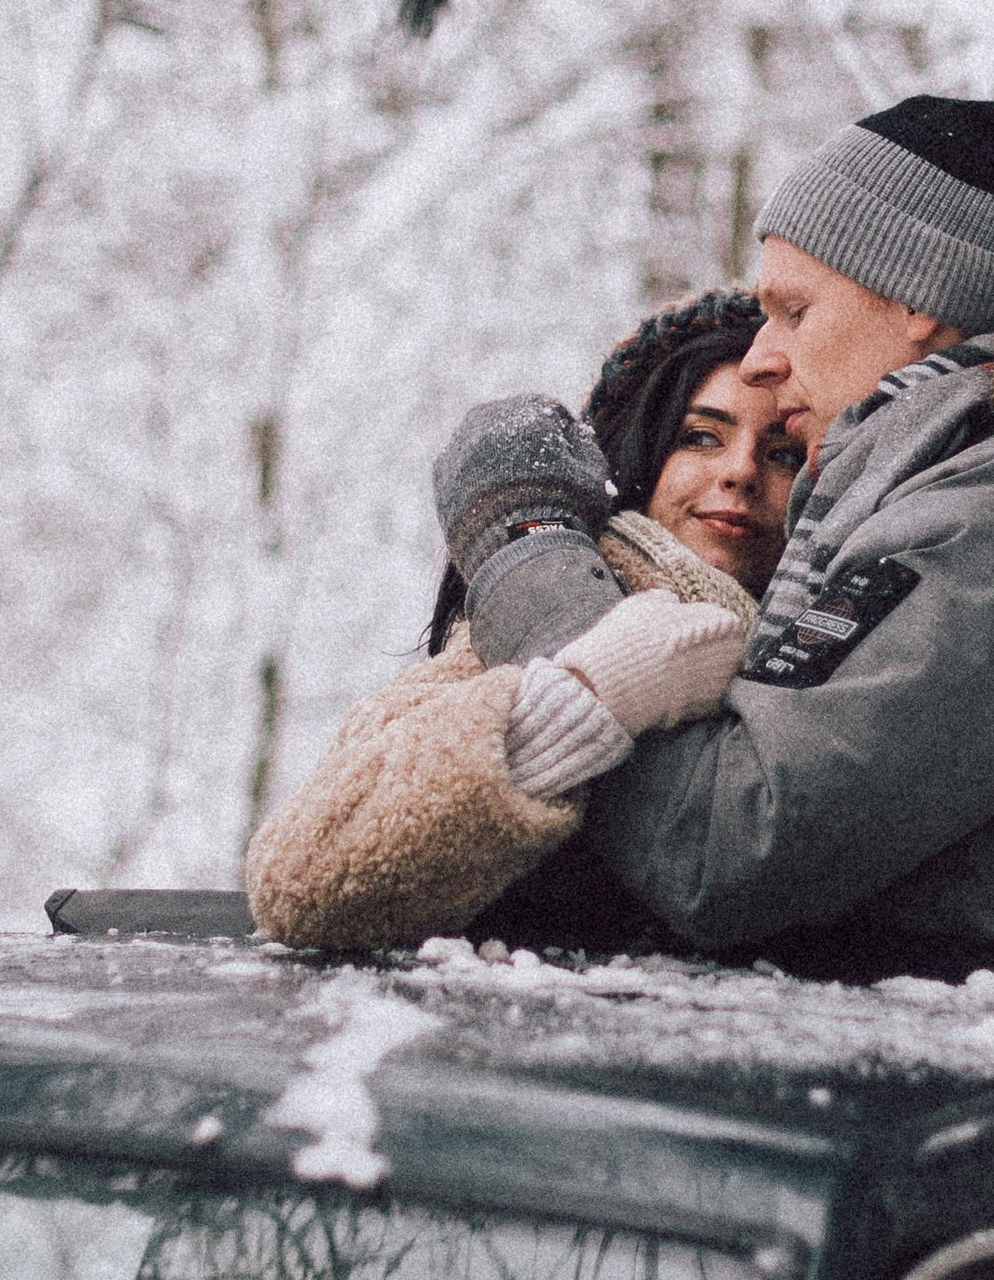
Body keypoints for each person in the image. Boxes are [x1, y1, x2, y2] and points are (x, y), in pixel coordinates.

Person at [427, 51, 994, 1008]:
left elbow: (724, 847)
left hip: (973, 1132)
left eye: (795, 309)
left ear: (917, 298)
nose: (760, 358)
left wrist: (527, 549)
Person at [246, 293, 800, 954]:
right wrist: (589, 693)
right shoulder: (548, 610)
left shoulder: (834, 643)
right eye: (701, 436)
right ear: (643, 455)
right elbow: (301, 880)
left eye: (783, 454)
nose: (739, 471)